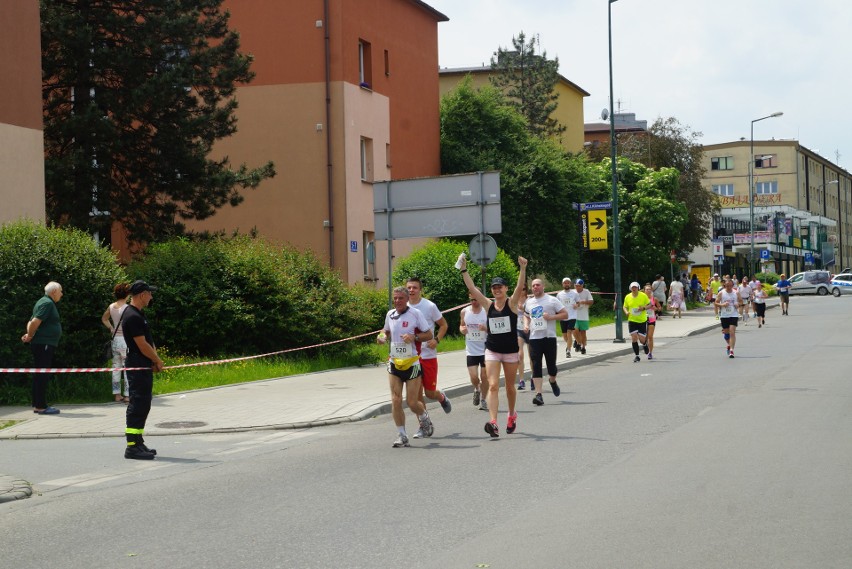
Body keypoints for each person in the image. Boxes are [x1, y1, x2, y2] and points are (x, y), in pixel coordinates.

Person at [459, 255, 527, 438]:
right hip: (492, 350)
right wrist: (464, 269)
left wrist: (522, 268)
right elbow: (472, 288)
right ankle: (494, 422)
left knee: (510, 387)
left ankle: (512, 414)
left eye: (500, 287)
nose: (497, 290)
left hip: (511, 351)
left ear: (505, 289)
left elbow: (520, 287)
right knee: (494, 385)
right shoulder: (488, 305)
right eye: (494, 287)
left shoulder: (511, 304)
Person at [378, 286, 434, 448]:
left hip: (412, 363)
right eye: (395, 298)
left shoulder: (415, 314)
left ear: (407, 299)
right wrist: (381, 337)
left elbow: (429, 334)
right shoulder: (390, 314)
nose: (397, 301)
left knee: (411, 402)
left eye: (400, 298)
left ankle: (424, 418)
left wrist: (414, 337)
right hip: (395, 362)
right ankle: (402, 435)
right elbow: (386, 330)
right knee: (395, 400)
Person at [123, 280, 165, 459]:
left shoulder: (138, 314)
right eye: (150, 293)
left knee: (144, 403)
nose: (151, 296)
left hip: (143, 363)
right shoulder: (132, 316)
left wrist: (153, 361)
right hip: (137, 362)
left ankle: (139, 442)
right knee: (138, 403)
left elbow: (148, 341)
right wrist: (157, 360)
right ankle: (132, 446)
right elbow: (141, 344)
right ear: (142, 295)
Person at [406, 277, 451, 438]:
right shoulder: (403, 308)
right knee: (417, 395)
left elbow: (444, 325)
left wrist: (436, 340)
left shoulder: (429, 306)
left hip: (428, 355)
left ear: (420, 290)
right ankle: (424, 425)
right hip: (411, 358)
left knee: (430, 393)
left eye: (414, 288)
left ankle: (441, 396)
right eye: (409, 288)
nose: (411, 290)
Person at [21, 281, 64, 415]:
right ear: (54, 292)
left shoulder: (42, 302)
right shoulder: (47, 303)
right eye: (60, 291)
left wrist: (29, 335)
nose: (61, 294)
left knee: (39, 374)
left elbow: (31, 321)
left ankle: (37, 404)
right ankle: (41, 406)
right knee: (42, 374)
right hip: (44, 344)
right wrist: (30, 335)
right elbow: (34, 322)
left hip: (42, 343)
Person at [524, 279, 568, 406]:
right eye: (533, 286)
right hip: (534, 338)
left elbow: (565, 314)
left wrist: (551, 317)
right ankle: (539, 394)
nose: (535, 287)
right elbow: (526, 315)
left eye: (538, 285)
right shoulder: (529, 302)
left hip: (549, 337)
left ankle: (552, 381)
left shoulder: (552, 300)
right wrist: (526, 325)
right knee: (536, 365)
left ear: (543, 286)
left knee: (551, 367)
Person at [101, 282, 131, 403]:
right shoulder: (128, 308)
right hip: (126, 340)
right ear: (127, 294)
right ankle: (128, 395)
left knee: (116, 367)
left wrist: (111, 328)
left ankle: (117, 395)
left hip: (115, 340)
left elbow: (104, 318)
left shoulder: (112, 306)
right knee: (128, 368)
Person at [460, 295, 488, 411]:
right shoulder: (464, 311)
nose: (473, 302)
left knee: (484, 376)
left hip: (485, 348)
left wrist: (485, 328)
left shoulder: (486, 311)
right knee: (473, 377)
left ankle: (484, 399)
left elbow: (494, 328)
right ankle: (477, 388)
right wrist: (462, 330)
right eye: (471, 300)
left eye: (475, 299)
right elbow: (461, 326)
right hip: (471, 349)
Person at [623, 282, 651, 362]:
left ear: (638, 288)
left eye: (635, 287)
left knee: (642, 340)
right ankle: (637, 356)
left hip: (642, 320)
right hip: (632, 320)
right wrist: (626, 312)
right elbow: (624, 306)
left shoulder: (643, 296)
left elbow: (650, 305)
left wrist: (643, 308)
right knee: (634, 337)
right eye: (632, 287)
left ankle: (645, 344)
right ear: (630, 288)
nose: (634, 289)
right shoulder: (627, 297)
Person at [715, 278, 739, 358]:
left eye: (730, 286)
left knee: (732, 331)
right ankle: (729, 345)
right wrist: (723, 305)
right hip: (724, 315)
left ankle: (732, 350)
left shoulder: (736, 293)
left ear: (732, 285)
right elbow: (716, 303)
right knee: (726, 333)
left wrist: (737, 304)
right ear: (724, 285)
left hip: (734, 314)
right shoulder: (721, 293)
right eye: (727, 286)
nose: (728, 287)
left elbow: (741, 301)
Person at [556, 277, 577, 358]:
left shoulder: (574, 293)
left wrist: (577, 305)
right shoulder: (559, 294)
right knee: (565, 336)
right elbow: (556, 305)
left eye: (568, 283)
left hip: (572, 316)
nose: (566, 284)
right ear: (562, 284)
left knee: (569, 332)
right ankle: (570, 343)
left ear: (570, 284)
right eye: (565, 283)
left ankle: (568, 350)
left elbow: (578, 302)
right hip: (563, 316)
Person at [572, 279, 594, 354]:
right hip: (574, 315)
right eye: (576, 286)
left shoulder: (586, 292)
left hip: (583, 316)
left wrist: (583, 301)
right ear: (574, 285)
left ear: (582, 285)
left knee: (583, 333)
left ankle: (583, 347)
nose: (577, 287)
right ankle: (578, 342)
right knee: (574, 330)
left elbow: (591, 301)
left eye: (579, 286)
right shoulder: (572, 292)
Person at [515, 283, 530, 390]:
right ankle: (521, 380)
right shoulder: (513, 301)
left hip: (530, 330)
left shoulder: (530, 301)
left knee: (532, 356)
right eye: (519, 289)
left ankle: (534, 377)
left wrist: (523, 309)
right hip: (518, 329)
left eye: (523, 289)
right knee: (519, 355)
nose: (521, 291)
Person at [643, 284, 659, 360]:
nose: (648, 290)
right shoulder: (641, 299)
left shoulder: (654, 299)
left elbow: (659, 308)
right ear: (644, 290)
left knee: (650, 336)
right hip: (642, 319)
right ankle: (645, 345)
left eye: (650, 289)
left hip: (652, 319)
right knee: (643, 337)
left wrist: (655, 308)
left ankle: (650, 353)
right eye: (647, 289)